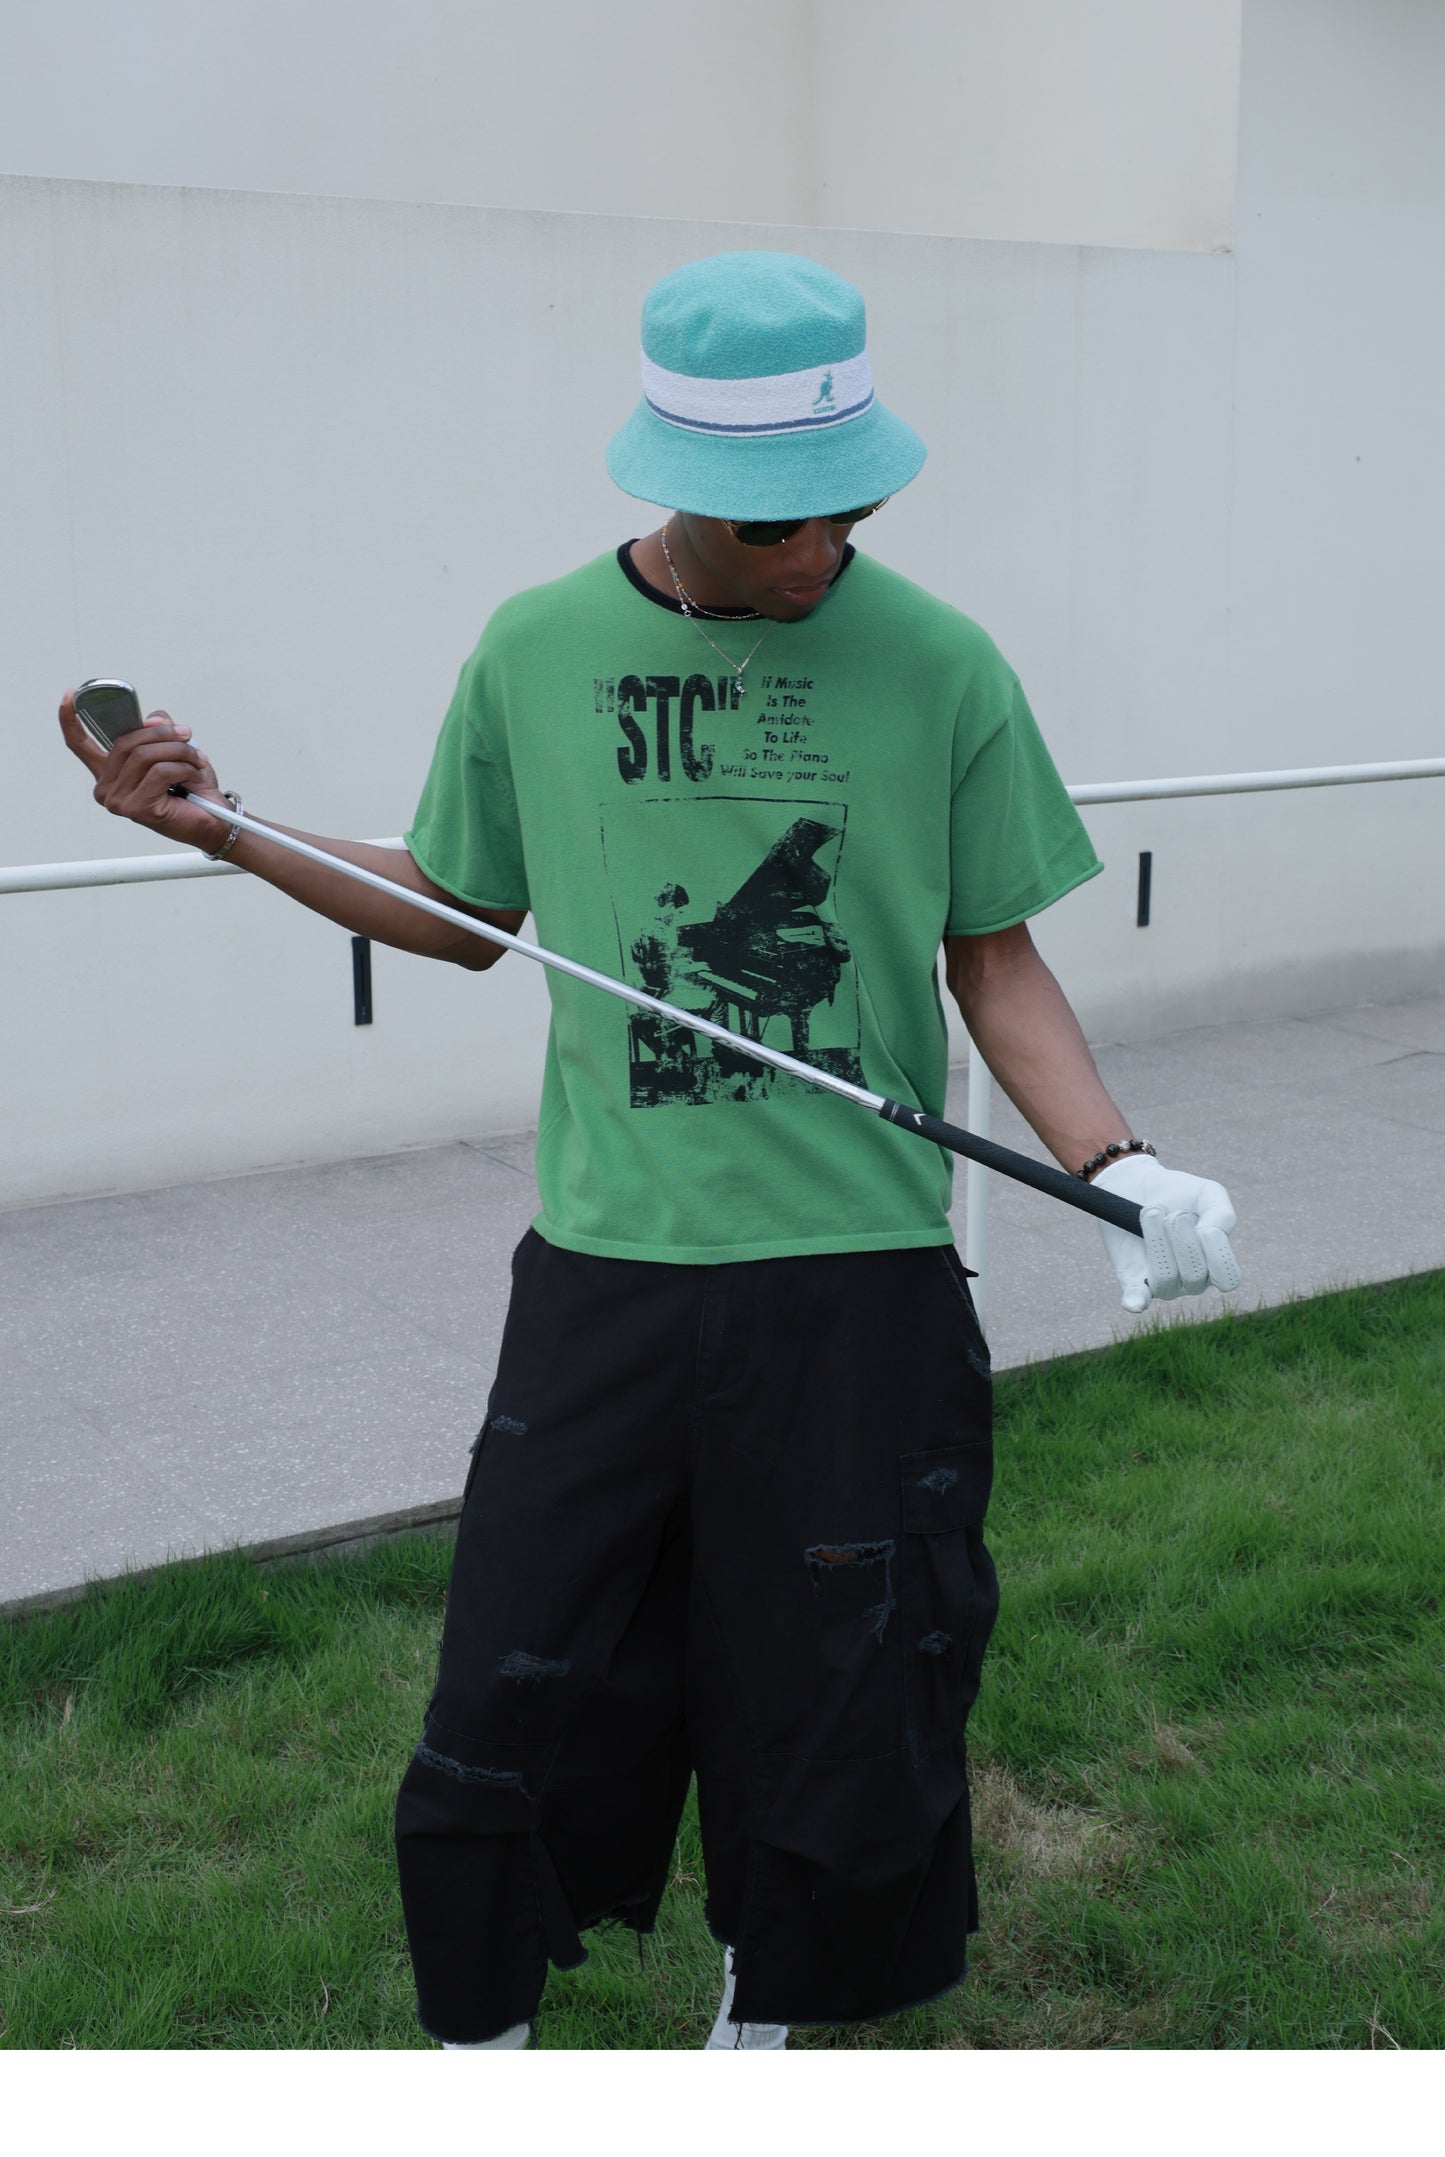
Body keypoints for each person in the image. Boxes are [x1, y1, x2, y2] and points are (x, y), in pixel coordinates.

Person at [60, 250, 1239, 2050]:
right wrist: (227, 828)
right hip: (608, 1273)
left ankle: (764, 2021)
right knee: (518, 1677)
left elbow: (991, 956)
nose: (816, 549)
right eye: (774, 522)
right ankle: (486, 2044)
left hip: (858, 1286)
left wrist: (1116, 1160)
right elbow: (461, 911)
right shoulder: (534, 648)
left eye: (845, 510)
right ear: (674, 482)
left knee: (840, 1691)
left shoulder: (940, 661)